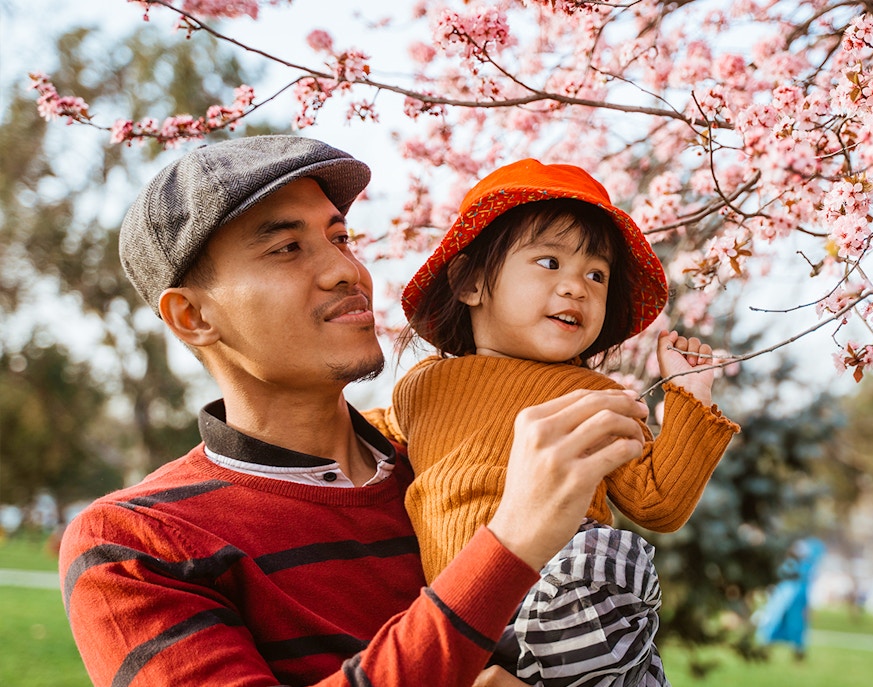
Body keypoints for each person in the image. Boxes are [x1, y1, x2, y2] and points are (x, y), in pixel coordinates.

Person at [58, 135, 652, 687]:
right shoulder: (137, 544)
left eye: (340, 239)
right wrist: (513, 542)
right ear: (193, 316)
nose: (349, 270)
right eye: (287, 248)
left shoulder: (450, 463)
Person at [377, 159, 740, 686]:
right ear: (471, 282)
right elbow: (361, 442)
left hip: (569, 604)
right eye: (549, 262)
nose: (577, 288)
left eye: (596, 275)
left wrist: (688, 396)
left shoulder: (591, 396)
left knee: (603, 559)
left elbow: (657, 502)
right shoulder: (421, 389)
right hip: (465, 616)